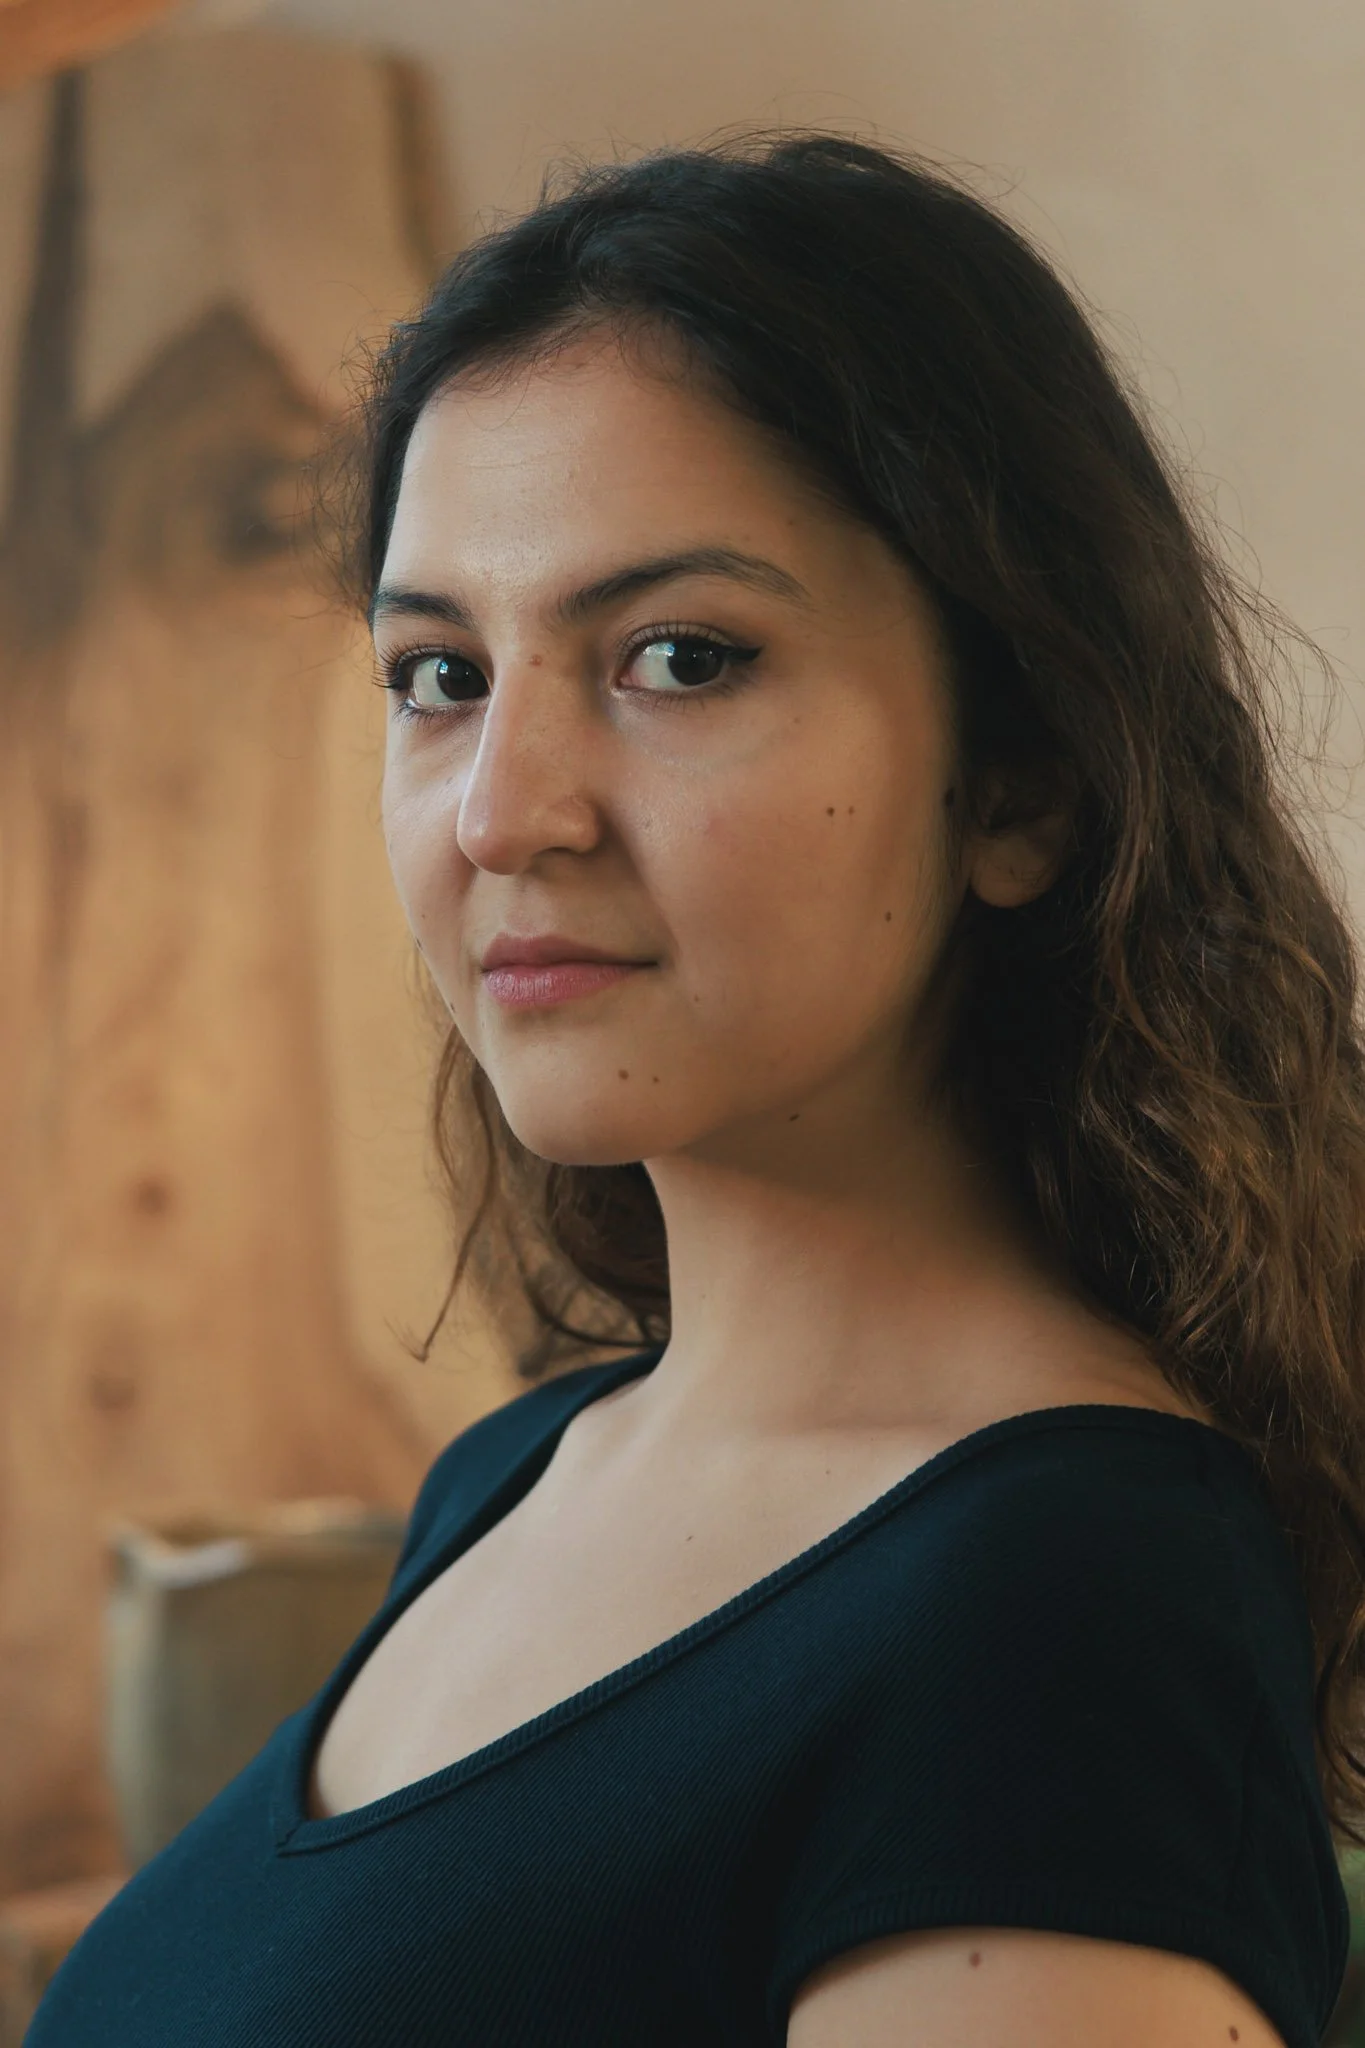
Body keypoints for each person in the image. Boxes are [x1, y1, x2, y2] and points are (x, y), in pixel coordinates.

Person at [29, 130, 1363, 2047]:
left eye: (678, 655)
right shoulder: (515, 1476)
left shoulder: (1067, 1608)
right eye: (437, 675)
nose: (503, 808)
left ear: (1025, 782)